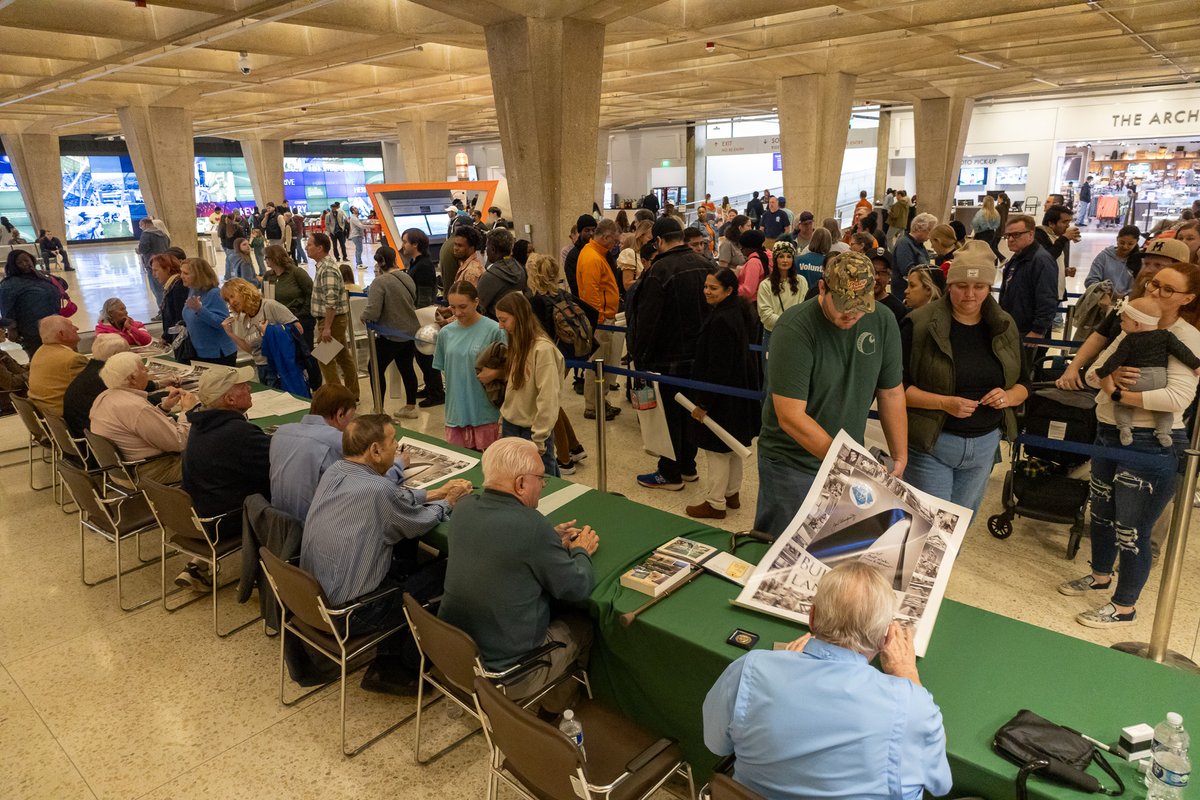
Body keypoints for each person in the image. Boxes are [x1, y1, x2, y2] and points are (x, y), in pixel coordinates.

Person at [703, 562, 951, 800]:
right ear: (885, 639)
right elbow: (940, 784)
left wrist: (779, 667)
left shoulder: (751, 667)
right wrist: (905, 671)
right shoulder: (911, 705)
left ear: (811, 618)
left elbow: (716, 745)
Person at [1060, 260, 1200, 629]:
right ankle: (1100, 574)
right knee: (1102, 515)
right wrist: (1109, 382)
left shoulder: (1187, 338)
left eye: (1167, 289)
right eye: (1154, 284)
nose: (1155, 292)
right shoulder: (1134, 324)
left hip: (1151, 444)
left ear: (1188, 298)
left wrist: (1121, 393)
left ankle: (1124, 606)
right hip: (1108, 432)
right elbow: (1095, 372)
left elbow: (1178, 398)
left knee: (1133, 529)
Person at [300, 414, 472, 692]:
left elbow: (393, 496)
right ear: (375, 450)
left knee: (408, 560)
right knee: (451, 569)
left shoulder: (336, 471)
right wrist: (449, 502)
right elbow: (418, 522)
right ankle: (408, 660)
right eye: (393, 442)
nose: (397, 449)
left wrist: (435, 492)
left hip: (314, 601)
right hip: (354, 613)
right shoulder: (377, 490)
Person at [754, 252, 907, 538]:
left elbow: (891, 393)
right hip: (792, 464)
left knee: (831, 552)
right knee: (778, 553)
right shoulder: (794, 328)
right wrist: (851, 465)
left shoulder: (883, 321)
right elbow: (790, 417)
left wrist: (899, 456)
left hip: (845, 461)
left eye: (861, 307)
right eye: (843, 305)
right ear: (822, 288)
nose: (851, 314)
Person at [439, 437, 598, 707]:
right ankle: (556, 711)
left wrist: (547, 538)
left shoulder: (463, 507)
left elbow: (499, 543)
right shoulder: (531, 526)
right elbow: (577, 587)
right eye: (541, 478)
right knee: (582, 626)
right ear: (521, 483)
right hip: (509, 676)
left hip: (452, 656)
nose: (543, 485)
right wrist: (580, 550)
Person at [900, 241, 1027, 513]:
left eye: (979, 286)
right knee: (928, 529)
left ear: (989, 287)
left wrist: (1007, 396)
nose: (970, 294)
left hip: (984, 446)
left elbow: (1024, 384)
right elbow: (895, 389)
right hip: (932, 444)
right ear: (949, 286)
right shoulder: (918, 324)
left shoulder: (1005, 324)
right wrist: (944, 403)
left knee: (959, 527)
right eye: (961, 286)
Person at [628, 216, 714, 490]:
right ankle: (688, 466)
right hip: (700, 357)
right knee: (691, 411)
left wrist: (639, 358)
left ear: (659, 241)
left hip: (668, 358)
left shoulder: (659, 271)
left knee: (668, 416)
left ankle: (669, 472)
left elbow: (648, 320)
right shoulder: (706, 265)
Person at [686, 269, 761, 520]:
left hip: (721, 396)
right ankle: (732, 493)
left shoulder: (721, 319)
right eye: (706, 286)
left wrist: (703, 403)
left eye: (713, 288)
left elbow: (718, 366)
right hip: (737, 393)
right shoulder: (736, 312)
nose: (707, 291)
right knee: (732, 445)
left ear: (728, 290)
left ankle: (715, 502)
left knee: (717, 449)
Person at [1092, 297, 1200, 447]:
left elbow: (1115, 359)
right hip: (1158, 379)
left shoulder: (1129, 340)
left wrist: (1103, 374)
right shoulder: (1166, 335)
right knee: (1163, 411)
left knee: (1122, 406)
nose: (1121, 324)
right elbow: (1182, 352)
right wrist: (1196, 365)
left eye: (1123, 321)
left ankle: (1125, 428)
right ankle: (1163, 432)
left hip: (1134, 380)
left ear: (1136, 324)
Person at [478, 292, 564, 477]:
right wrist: (504, 417)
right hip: (512, 425)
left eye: (504, 320)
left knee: (543, 482)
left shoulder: (543, 350)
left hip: (532, 431)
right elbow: (514, 388)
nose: (501, 326)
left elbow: (548, 397)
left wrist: (539, 437)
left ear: (519, 317)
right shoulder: (519, 343)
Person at [182, 365, 271, 526]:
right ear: (230, 400)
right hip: (228, 517)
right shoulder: (238, 432)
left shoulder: (199, 423)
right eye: (243, 386)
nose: (249, 388)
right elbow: (276, 464)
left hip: (205, 508)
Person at [89, 351, 195, 485]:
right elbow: (180, 442)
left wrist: (164, 408)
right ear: (132, 378)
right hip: (152, 471)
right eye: (142, 368)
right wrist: (187, 411)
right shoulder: (135, 407)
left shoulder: (104, 397)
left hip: (119, 471)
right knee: (218, 452)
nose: (147, 369)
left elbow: (137, 426)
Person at [525, 256, 587, 473]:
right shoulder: (563, 294)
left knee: (549, 405)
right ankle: (574, 446)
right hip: (564, 354)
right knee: (554, 402)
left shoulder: (535, 301)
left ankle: (564, 458)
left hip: (545, 356)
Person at [269, 384, 366, 521]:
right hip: (315, 529)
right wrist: (398, 463)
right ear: (340, 414)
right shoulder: (336, 440)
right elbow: (371, 478)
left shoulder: (280, 432)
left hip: (279, 526)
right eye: (351, 417)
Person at [433, 281, 506, 451]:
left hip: (484, 412)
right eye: (452, 307)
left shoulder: (494, 330)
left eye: (463, 306)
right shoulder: (446, 333)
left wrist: (496, 374)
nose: (457, 312)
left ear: (476, 302)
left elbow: (513, 369)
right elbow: (446, 369)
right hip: (456, 412)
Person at [361, 244, 421, 419]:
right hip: (409, 332)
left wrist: (364, 316)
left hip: (389, 334)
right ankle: (411, 407)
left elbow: (373, 311)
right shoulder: (406, 277)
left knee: (375, 369)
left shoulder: (379, 282)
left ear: (379, 262)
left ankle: (379, 408)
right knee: (407, 368)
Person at [998, 214, 1059, 378]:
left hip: (1029, 332)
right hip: (1014, 327)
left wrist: (1038, 330)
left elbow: (1047, 298)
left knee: (1023, 375)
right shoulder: (1018, 257)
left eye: (1016, 235)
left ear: (1031, 234)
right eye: (1007, 235)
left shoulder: (1041, 260)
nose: (1010, 239)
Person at [576, 217, 622, 421]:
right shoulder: (592, 257)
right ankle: (593, 406)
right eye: (614, 241)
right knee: (597, 364)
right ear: (605, 237)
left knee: (601, 364)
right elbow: (591, 294)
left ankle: (600, 401)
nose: (615, 245)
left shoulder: (595, 253)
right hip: (600, 322)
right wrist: (600, 319)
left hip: (604, 318)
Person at [219, 278, 301, 385]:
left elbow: (298, 330)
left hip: (281, 366)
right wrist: (230, 333)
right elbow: (252, 350)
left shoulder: (269, 306)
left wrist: (271, 332)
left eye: (232, 296)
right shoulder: (245, 318)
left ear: (243, 290)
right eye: (227, 300)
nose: (231, 302)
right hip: (262, 367)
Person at [307, 232, 358, 398]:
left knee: (325, 359)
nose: (306, 247)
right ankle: (352, 393)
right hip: (333, 320)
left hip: (332, 321)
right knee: (343, 357)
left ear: (320, 248)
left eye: (309, 245)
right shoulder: (323, 266)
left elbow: (331, 301)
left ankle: (337, 398)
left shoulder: (327, 269)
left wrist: (327, 327)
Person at [62, 334, 135, 439]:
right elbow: (132, 407)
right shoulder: (105, 378)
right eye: (128, 351)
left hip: (86, 437)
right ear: (116, 355)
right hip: (95, 443)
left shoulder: (92, 370)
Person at [0, 249, 64, 355]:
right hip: (31, 330)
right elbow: (6, 308)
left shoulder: (40, 276)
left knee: (61, 356)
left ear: (31, 259)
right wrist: (12, 328)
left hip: (54, 324)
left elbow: (63, 285)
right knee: (40, 357)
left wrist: (45, 275)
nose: (24, 264)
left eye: (26, 260)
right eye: (19, 263)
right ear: (13, 266)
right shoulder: (9, 284)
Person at [181, 258, 237, 365]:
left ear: (199, 275)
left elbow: (223, 323)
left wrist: (200, 310)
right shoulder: (193, 290)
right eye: (181, 272)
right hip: (199, 352)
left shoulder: (214, 293)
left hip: (218, 354)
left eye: (186, 273)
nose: (181, 276)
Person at [27, 316, 88, 417]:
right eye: (71, 326)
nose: (77, 328)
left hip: (48, 416)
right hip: (67, 417)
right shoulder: (72, 360)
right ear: (62, 334)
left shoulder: (40, 352)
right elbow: (92, 390)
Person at [262, 244, 315, 348]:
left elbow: (311, 293)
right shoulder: (268, 276)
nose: (265, 259)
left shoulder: (296, 273)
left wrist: (302, 314)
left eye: (267, 257)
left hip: (299, 320)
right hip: (279, 324)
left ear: (275, 257)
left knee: (305, 353)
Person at [757, 241, 804, 352]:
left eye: (789, 256)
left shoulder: (801, 282)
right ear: (775, 259)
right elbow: (766, 315)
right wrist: (788, 323)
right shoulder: (765, 285)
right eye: (781, 256)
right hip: (773, 334)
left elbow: (803, 307)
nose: (785, 260)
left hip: (796, 334)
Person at [477, 226, 528, 319]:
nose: (486, 250)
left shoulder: (489, 276)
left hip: (497, 326)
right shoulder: (521, 269)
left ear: (493, 249)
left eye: (486, 246)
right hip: (520, 322)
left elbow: (478, 308)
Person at [1036, 204, 1081, 305]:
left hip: (1055, 293)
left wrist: (1064, 271)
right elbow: (1046, 259)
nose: (1068, 226)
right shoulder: (1039, 236)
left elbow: (1053, 262)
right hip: (1044, 294)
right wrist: (1064, 239)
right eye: (1064, 222)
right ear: (1051, 223)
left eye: (1069, 222)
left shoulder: (1058, 237)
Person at [1084, 225, 1140, 296]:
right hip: (1102, 300)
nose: (1125, 247)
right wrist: (1102, 292)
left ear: (1137, 242)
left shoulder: (1139, 260)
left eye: (1130, 244)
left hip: (1127, 302)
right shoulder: (1104, 256)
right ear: (1117, 239)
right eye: (1122, 242)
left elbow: (1139, 287)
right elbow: (1090, 281)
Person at [891, 212, 936, 296]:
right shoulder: (904, 244)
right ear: (918, 228)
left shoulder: (919, 245)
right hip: (905, 292)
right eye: (929, 230)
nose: (930, 235)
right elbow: (908, 270)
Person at [150, 253, 188, 345]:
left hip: (182, 340)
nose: (153, 274)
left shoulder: (178, 287)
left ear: (167, 269)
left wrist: (165, 337)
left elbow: (180, 319)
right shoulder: (170, 286)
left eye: (156, 270)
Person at [136, 217, 170, 312]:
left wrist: (138, 250)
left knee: (157, 289)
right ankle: (167, 309)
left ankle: (162, 311)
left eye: (141, 225)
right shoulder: (163, 234)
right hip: (165, 263)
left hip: (152, 265)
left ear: (145, 224)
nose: (140, 227)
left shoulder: (146, 234)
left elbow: (142, 248)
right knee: (165, 287)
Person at [563, 214, 596, 297]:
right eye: (587, 230)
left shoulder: (600, 250)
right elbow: (575, 284)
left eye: (593, 230)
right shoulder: (573, 256)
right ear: (580, 232)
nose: (591, 233)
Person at [736, 229, 770, 301]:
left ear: (750, 248)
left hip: (752, 302)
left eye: (742, 247)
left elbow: (748, 290)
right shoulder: (764, 256)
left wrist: (730, 290)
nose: (741, 250)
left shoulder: (753, 262)